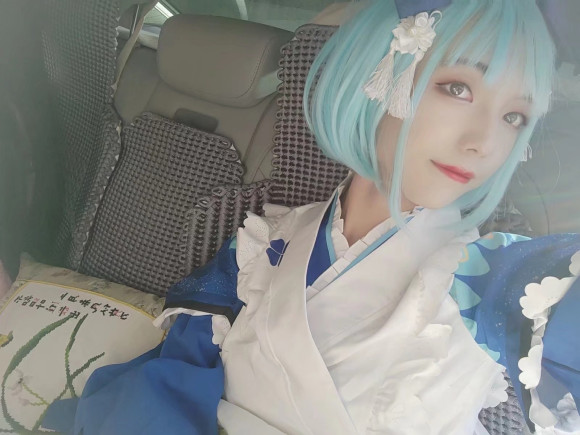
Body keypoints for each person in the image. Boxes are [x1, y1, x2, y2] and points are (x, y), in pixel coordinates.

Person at [43, 0, 580, 434]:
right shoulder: (264, 241)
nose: (485, 141)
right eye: (458, 88)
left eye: (515, 116)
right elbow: (175, 375)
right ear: (379, 74)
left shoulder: (502, 281)